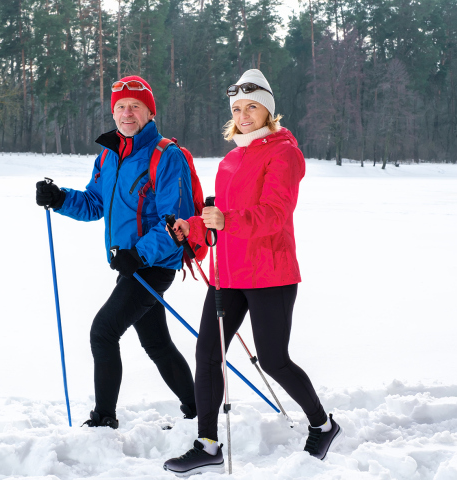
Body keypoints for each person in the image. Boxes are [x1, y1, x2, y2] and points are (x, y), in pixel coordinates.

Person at [163, 69, 341, 475]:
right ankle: (207, 445)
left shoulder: (284, 154)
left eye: (253, 107)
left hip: (271, 272)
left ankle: (323, 424)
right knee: (207, 355)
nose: (244, 114)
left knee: (275, 360)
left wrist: (226, 220)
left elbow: (275, 215)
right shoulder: (232, 157)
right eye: (238, 108)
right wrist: (193, 225)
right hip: (228, 273)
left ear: (268, 112)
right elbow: (221, 217)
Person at [35, 75, 197, 429]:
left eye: (135, 107)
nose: (127, 113)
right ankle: (198, 409)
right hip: (130, 265)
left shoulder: (166, 156)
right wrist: (60, 198)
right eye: (121, 107)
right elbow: (95, 203)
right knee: (156, 343)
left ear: (149, 113)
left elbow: (177, 220)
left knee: (103, 331)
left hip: (154, 264)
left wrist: (138, 255)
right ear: (113, 113)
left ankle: (104, 417)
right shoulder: (109, 155)